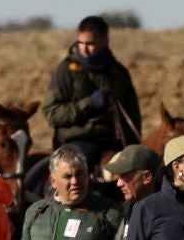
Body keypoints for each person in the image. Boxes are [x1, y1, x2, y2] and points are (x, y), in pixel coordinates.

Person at [40, 15, 141, 173]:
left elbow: (133, 114)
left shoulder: (118, 72)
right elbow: (52, 113)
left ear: (105, 41)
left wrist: (134, 147)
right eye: (81, 43)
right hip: (77, 141)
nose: (84, 49)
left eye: (90, 44)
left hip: (114, 142)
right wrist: (89, 103)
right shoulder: (65, 71)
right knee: (81, 171)